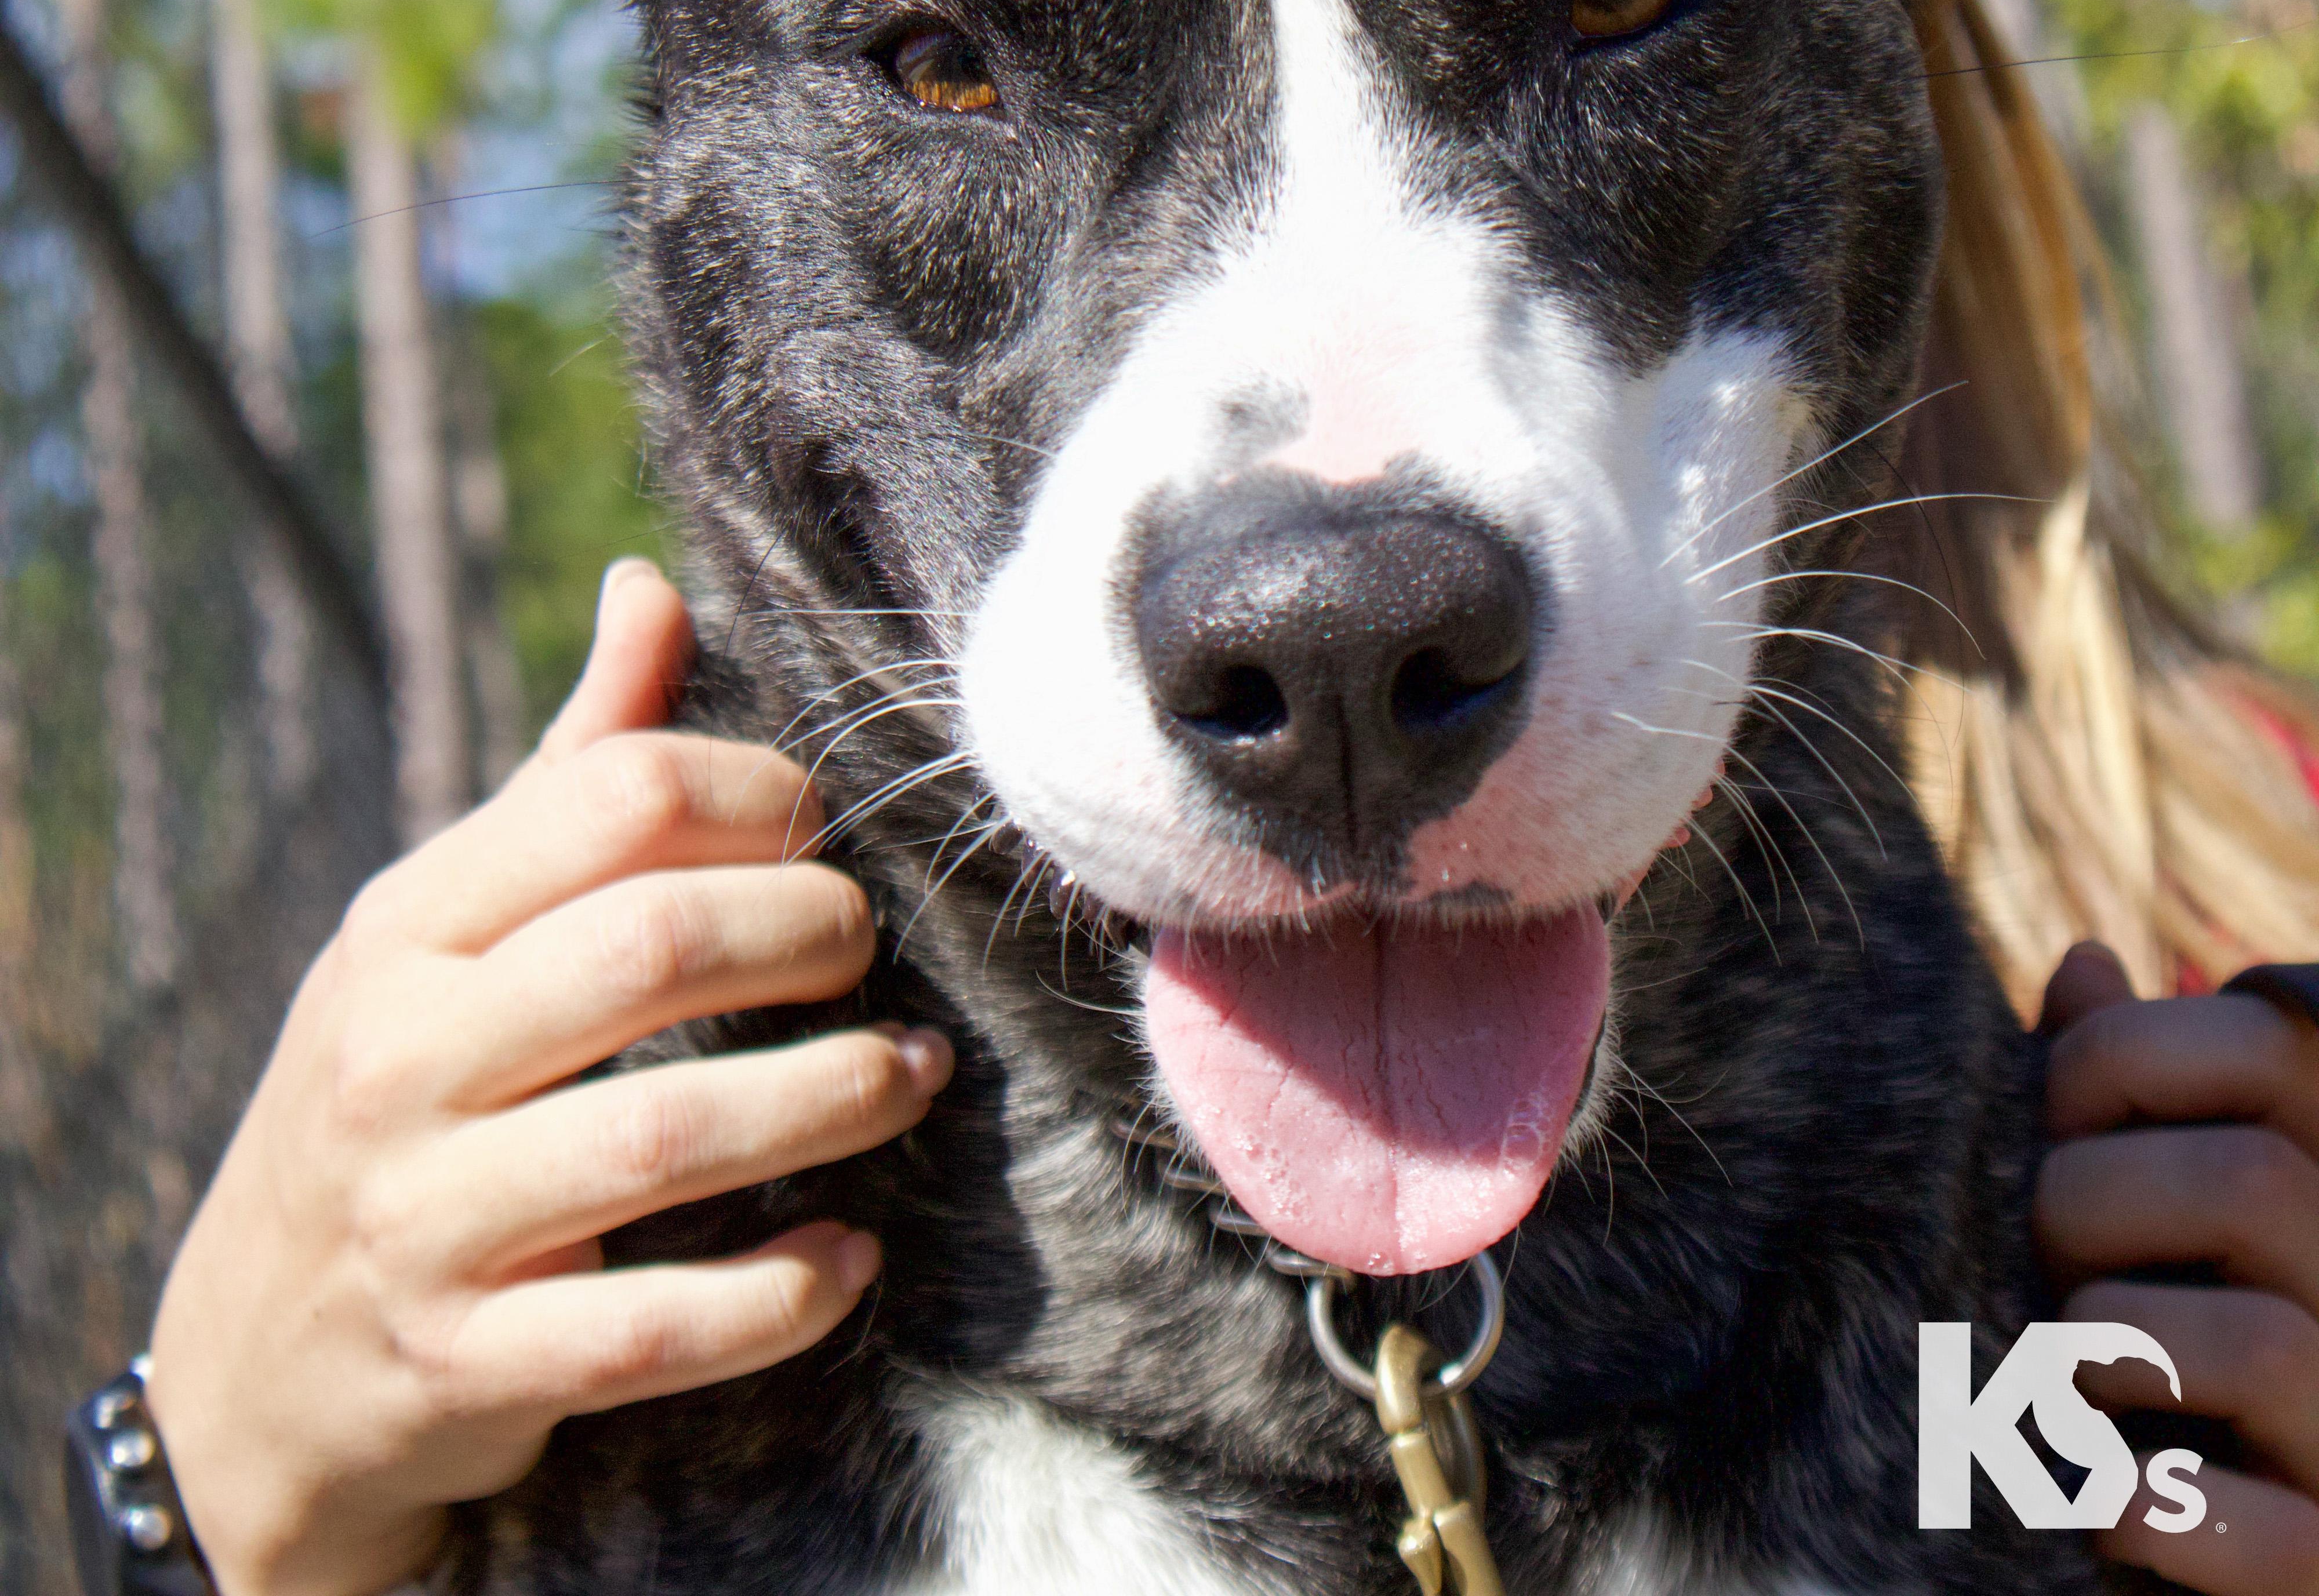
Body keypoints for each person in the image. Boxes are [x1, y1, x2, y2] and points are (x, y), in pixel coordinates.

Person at [139, 556, 2319, 1596]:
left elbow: (1974, 1472)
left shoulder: (2205, 897)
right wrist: (209, 1501)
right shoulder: (635, 1178)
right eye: (966, 64)